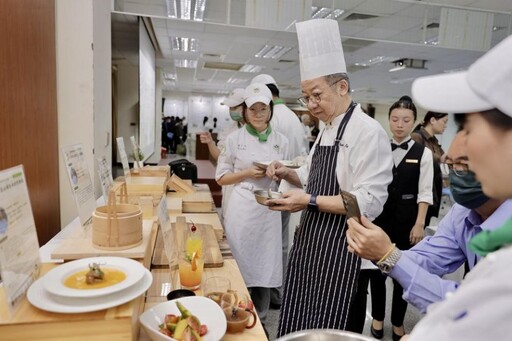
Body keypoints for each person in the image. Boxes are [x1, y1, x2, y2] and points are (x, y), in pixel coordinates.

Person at [363, 34, 512, 341]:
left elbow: (472, 316)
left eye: (468, 128)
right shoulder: (466, 214)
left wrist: (389, 255)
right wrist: (383, 254)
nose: (454, 149)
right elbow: (434, 259)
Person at [265, 19, 393, 337]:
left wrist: (308, 200)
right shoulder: (327, 127)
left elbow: (368, 202)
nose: (311, 105)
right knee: (302, 319)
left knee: (333, 330)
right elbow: (312, 174)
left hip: (345, 253)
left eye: (316, 95)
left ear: (342, 87)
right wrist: (288, 173)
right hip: (313, 243)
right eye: (306, 97)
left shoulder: (368, 132)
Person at [346, 131, 511, 338]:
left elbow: (473, 308)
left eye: (465, 165)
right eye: (450, 165)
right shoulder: (462, 212)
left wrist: (388, 255)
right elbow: (428, 258)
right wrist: (381, 253)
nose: (455, 175)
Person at [347, 96, 434, 340]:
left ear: (414, 122)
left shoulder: (423, 153)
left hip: (407, 222)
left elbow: (425, 192)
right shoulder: (378, 146)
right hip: (379, 219)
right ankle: (377, 317)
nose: (399, 125)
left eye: (406, 120)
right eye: (395, 119)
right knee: (375, 272)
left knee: (401, 274)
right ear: (389, 120)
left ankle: (397, 322)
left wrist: (419, 224)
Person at [215, 82, 289, 330]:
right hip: (243, 207)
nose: (258, 114)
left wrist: (279, 173)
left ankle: (263, 324)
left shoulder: (282, 141)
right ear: (245, 111)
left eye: (263, 108)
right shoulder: (234, 139)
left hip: (268, 208)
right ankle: (235, 315)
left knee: (264, 269)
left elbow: (290, 174)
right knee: (241, 263)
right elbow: (221, 177)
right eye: (253, 109)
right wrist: (247, 173)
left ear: (270, 109)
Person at [251, 73, 306, 310]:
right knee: (281, 241)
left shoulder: (271, 118)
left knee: (269, 242)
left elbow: (263, 158)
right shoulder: (293, 116)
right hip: (292, 185)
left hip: (273, 187)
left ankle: (272, 291)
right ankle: (278, 292)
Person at [411, 111, 448, 225]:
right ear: (432, 120)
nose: (445, 125)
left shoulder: (433, 141)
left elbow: (443, 158)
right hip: (417, 192)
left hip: (432, 190)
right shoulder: (417, 137)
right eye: (444, 122)